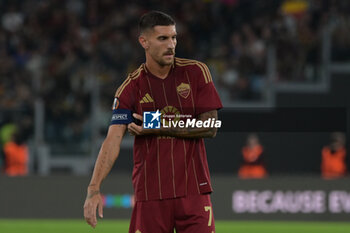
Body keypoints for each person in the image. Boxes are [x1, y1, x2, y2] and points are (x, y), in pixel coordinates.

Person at [83, 11, 223, 233]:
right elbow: (112, 140)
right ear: (144, 42)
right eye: (163, 38)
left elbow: (212, 126)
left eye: (174, 37)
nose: (171, 45)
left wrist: (158, 126)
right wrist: (93, 189)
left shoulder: (196, 72)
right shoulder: (130, 89)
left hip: (194, 192)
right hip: (150, 195)